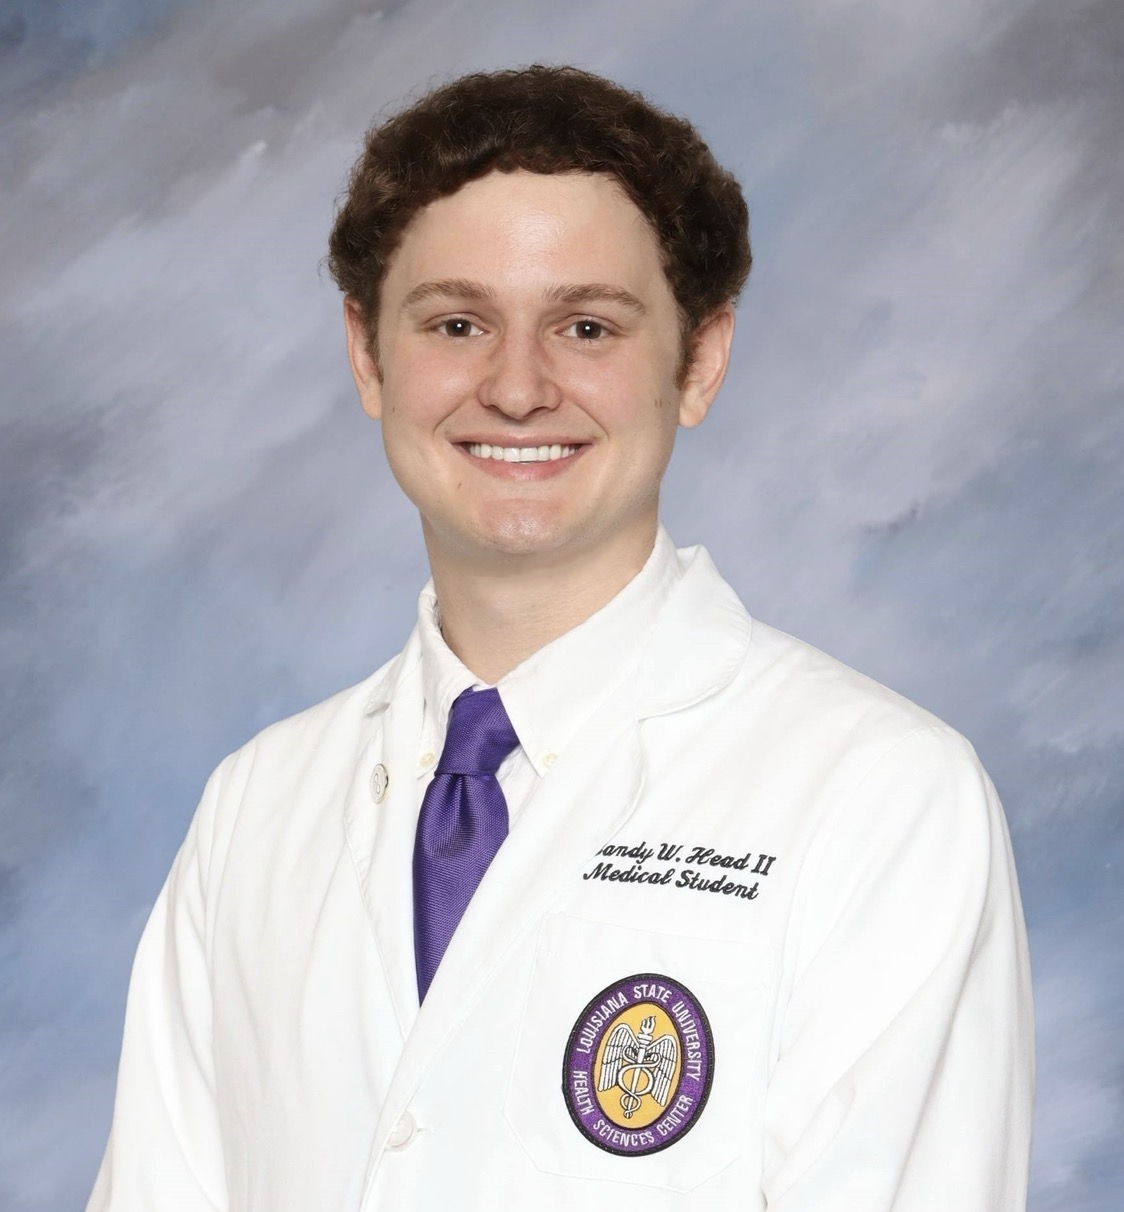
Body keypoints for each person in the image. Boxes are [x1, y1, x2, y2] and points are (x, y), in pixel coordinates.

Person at [88, 65, 1034, 1211]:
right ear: (367, 355)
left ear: (698, 361)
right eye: (457, 324)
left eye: (585, 326)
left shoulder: (880, 800)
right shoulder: (255, 809)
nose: (517, 388)